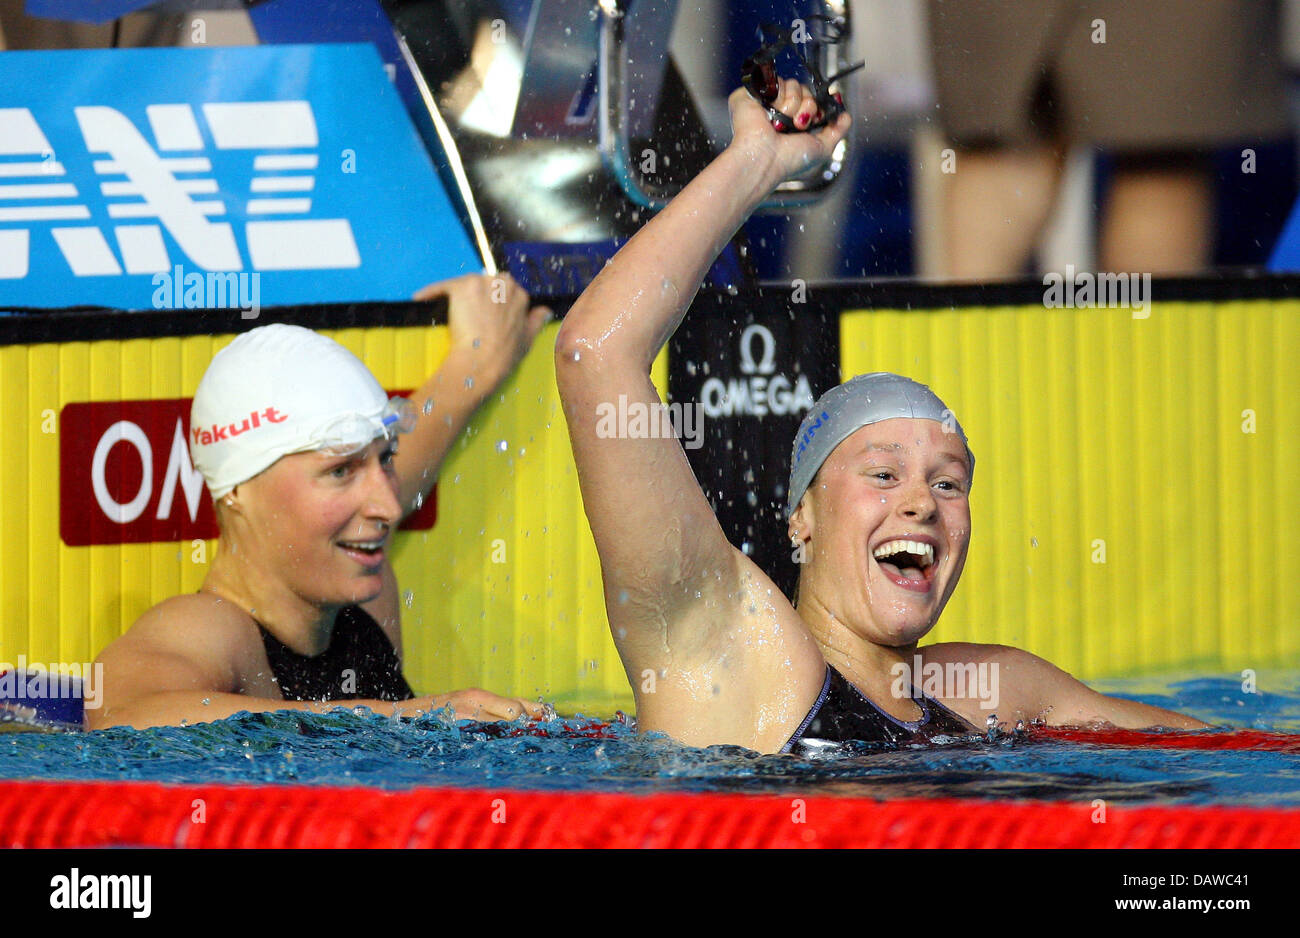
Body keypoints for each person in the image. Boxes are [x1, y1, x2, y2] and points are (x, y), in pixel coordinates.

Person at [554, 80, 1208, 754]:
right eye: (884, 475)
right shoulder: (737, 658)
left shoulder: (991, 691)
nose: (922, 503)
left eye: (948, 483)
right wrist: (757, 162)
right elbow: (593, 357)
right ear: (801, 518)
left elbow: (1238, 754)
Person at [88, 274, 551, 731]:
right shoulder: (211, 629)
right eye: (340, 471)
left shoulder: (364, 594)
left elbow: (389, 478)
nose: (387, 507)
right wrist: (411, 718)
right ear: (237, 488)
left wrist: (474, 367)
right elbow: (117, 718)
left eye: (384, 458)